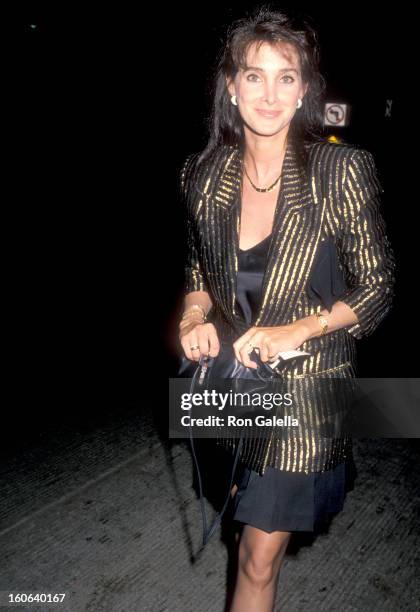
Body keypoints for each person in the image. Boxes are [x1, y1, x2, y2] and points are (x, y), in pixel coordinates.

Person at [177, 6, 396, 611]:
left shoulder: (339, 169)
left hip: (306, 392)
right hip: (235, 388)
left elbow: (378, 287)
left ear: (304, 89)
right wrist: (195, 317)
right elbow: (199, 269)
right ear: (230, 85)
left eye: (286, 77)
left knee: (256, 554)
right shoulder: (202, 174)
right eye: (254, 75)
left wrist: (294, 328)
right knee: (236, 526)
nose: (269, 94)